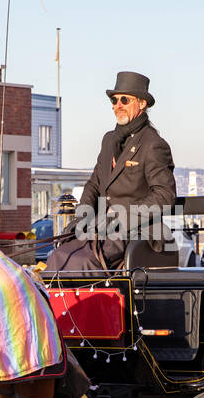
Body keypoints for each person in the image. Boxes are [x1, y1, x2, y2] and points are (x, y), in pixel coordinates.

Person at [44, 71, 176, 271]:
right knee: (58, 255)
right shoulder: (108, 140)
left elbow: (164, 195)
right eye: (114, 100)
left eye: (125, 99)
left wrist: (120, 217)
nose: (118, 105)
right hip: (100, 228)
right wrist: (82, 219)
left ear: (142, 104)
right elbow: (94, 184)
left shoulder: (153, 144)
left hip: (133, 231)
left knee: (81, 262)